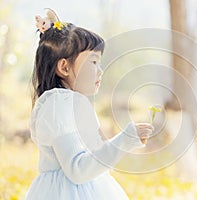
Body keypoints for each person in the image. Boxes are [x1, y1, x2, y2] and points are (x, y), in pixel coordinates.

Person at [25, 9, 154, 200]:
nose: (100, 71)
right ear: (64, 67)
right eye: (93, 62)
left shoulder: (73, 103)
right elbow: (78, 169)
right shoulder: (59, 103)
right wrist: (124, 140)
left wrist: (128, 140)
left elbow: (94, 158)